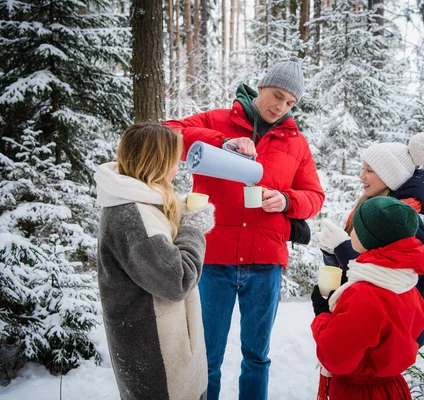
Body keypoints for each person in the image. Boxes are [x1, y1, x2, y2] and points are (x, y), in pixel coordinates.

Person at [164, 60, 325, 400]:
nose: (280, 107)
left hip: (265, 263)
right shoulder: (219, 120)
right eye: (277, 96)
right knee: (207, 357)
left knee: (257, 357)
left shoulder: (296, 143)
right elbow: (166, 133)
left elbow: (315, 196)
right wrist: (223, 141)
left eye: (289, 103)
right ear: (262, 87)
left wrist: (285, 200)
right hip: (213, 260)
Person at [94, 123, 215, 400]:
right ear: (157, 162)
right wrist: (193, 229)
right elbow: (178, 279)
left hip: (164, 347)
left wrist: (180, 214)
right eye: (174, 161)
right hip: (157, 358)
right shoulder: (131, 217)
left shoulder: (139, 201)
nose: (177, 169)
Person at [316, 131, 424, 347]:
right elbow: (356, 267)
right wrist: (331, 252)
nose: (361, 176)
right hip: (360, 318)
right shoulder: (370, 207)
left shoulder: (403, 222)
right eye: (363, 168)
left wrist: (342, 247)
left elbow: (386, 278)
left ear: (390, 176)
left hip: (387, 333)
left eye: (370, 170)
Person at [311, 196, 424, 400]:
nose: (351, 232)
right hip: (394, 389)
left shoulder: (366, 292)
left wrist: (323, 316)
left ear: (372, 237)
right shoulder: (405, 281)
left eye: (356, 228)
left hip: (359, 393)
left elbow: (335, 357)